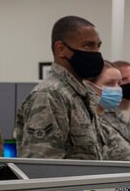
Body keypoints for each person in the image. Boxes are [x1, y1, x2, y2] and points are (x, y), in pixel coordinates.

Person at [14, 15, 107, 159]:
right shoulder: (49, 95)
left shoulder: (83, 94)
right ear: (61, 49)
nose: (96, 52)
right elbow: (42, 168)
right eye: (88, 45)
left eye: (98, 46)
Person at [89, 62, 130, 162]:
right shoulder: (84, 121)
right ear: (89, 85)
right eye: (110, 84)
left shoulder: (101, 122)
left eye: (119, 83)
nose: (117, 88)